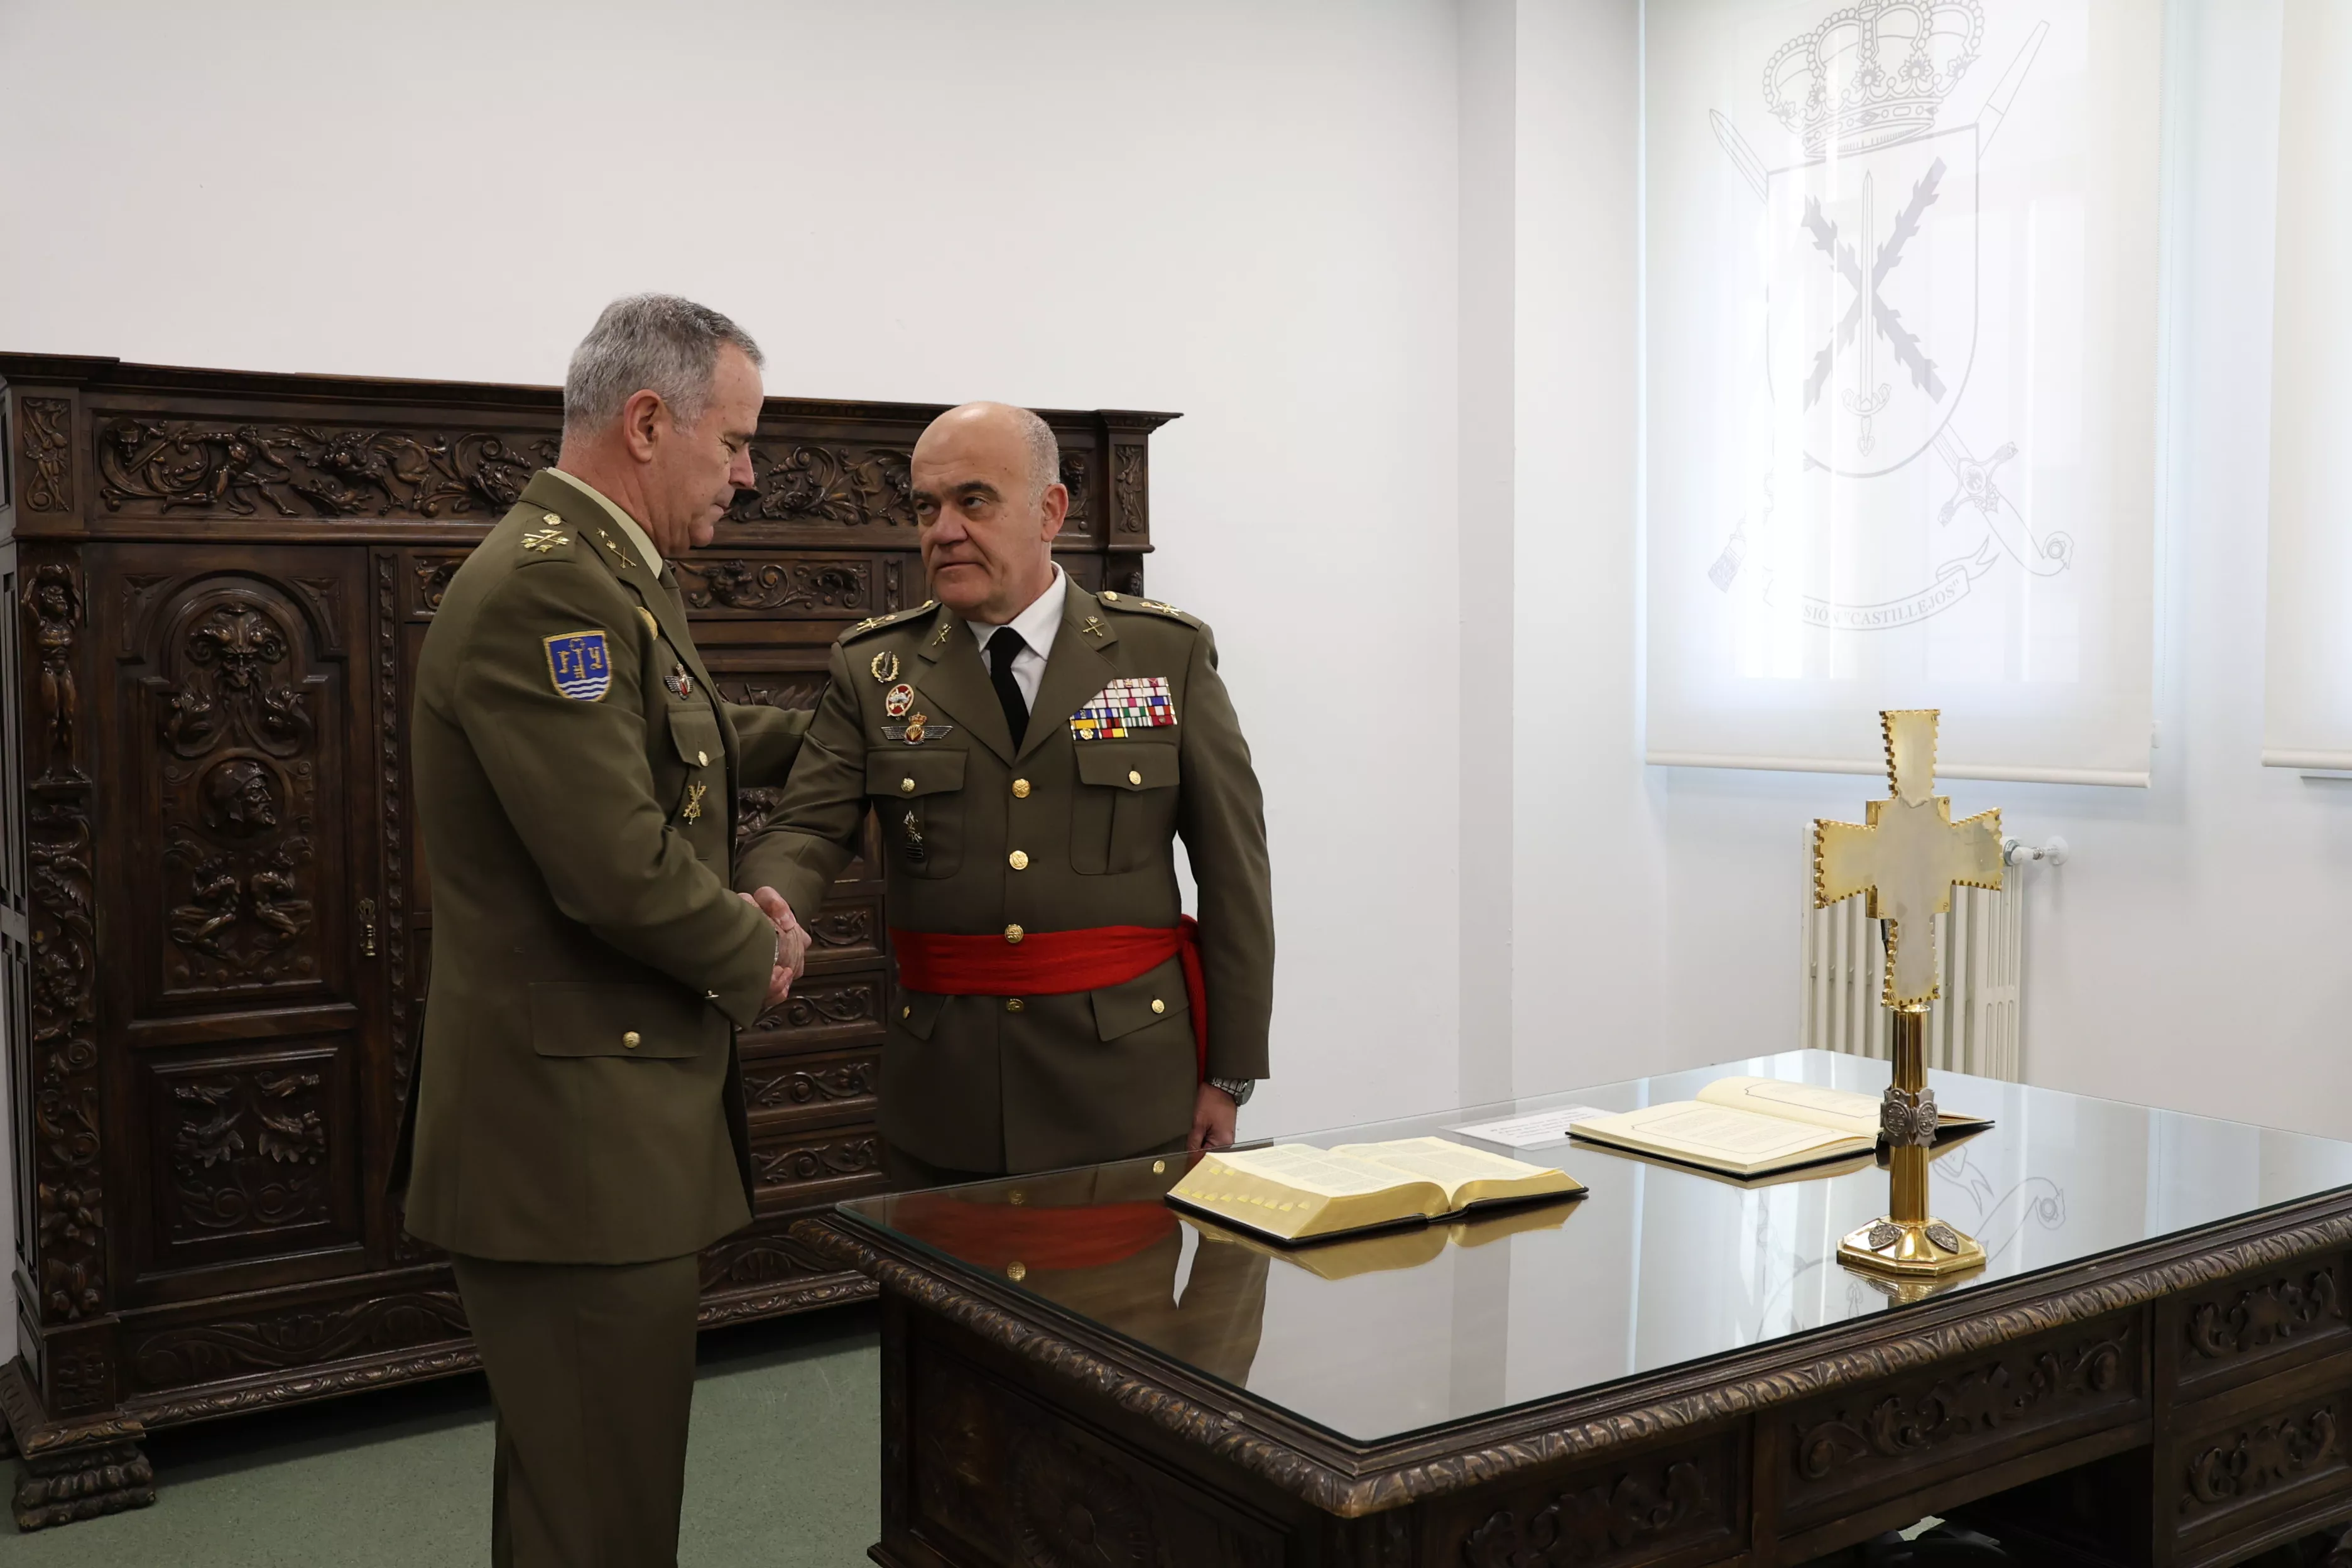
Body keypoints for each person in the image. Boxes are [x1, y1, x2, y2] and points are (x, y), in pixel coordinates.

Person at [389, 294, 812, 1567]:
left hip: (593, 1136)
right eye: (734, 441)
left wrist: (837, 727)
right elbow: (617, 867)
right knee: (603, 1517)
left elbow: (675, 748)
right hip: (569, 1151)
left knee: (577, 1491)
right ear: (647, 422)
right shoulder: (547, 594)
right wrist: (760, 949)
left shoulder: (603, 572)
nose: (747, 474)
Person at [741, 401, 1272, 1183]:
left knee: (1121, 1302)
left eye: (973, 501)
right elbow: (810, 828)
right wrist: (770, 902)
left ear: (1050, 510)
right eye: (927, 507)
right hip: (945, 1088)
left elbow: (1235, 876)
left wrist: (1228, 1074)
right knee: (937, 1302)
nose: (943, 529)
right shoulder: (876, 667)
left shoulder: (1165, 655)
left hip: (1125, 1084)